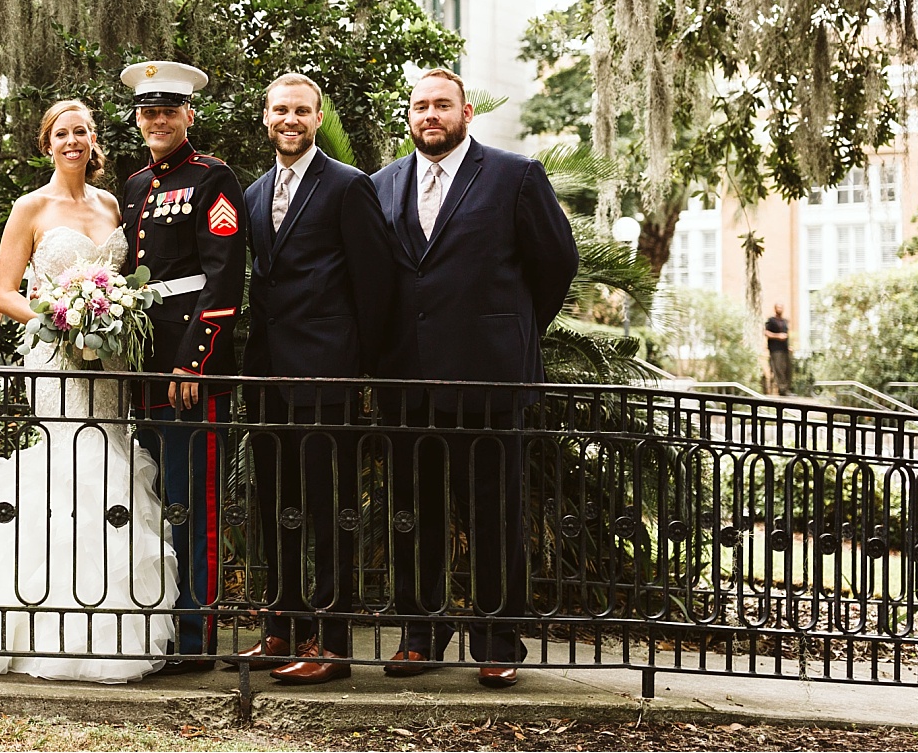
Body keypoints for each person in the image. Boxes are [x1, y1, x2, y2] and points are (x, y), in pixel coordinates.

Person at [0, 99, 178, 682]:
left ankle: (110, 624)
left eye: (82, 131)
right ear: (47, 143)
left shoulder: (114, 204)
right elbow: (3, 292)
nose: (73, 140)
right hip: (57, 360)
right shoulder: (29, 207)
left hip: (110, 365)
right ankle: (33, 623)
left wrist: (113, 313)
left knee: (110, 471)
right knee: (64, 469)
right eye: (62, 132)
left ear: (94, 142)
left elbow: (132, 279)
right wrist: (59, 317)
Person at [370, 68, 577, 688]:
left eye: (442, 105)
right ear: (409, 117)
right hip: (406, 378)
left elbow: (555, 262)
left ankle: (496, 636)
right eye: (419, 106)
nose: (430, 114)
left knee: (495, 510)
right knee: (414, 510)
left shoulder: (514, 177)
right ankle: (420, 632)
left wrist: (507, 326)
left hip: (490, 377)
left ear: (465, 112)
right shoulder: (383, 184)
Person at [233, 74, 397, 684]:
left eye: (302, 110)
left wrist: (360, 369)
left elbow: (375, 286)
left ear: (317, 115)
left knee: (330, 509)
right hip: (268, 374)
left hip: (328, 375)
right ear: (266, 116)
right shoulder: (252, 194)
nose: (290, 119)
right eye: (280, 109)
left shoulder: (348, 187)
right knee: (276, 505)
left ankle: (331, 642)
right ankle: (279, 629)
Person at [117, 60, 247, 672]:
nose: (158, 119)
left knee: (191, 504)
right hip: (140, 368)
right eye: (148, 111)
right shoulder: (134, 184)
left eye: (169, 110)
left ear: (188, 114)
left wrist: (193, 363)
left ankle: (193, 636)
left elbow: (222, 280)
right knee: (149, 500)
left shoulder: (212, 177)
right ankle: (153, 627)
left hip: (187, 371)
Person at [764, 304, 792, 395]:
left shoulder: (784, 321)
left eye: (781, 307)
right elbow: (766, 332)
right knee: (778, 369)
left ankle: (787, 389)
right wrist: (777, 336)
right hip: (775, 349)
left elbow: (786, 335)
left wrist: (788, 346)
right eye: (778, 307)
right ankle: (782, 389)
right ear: (775, 309)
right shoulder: (771, 321)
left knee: (787, 369)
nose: (780, 309)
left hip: (784, 349)